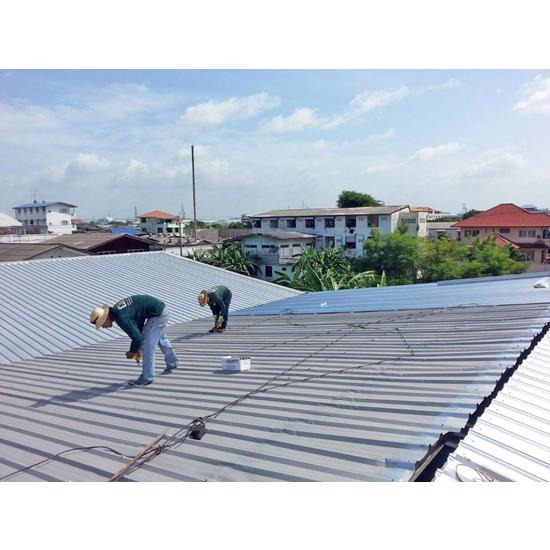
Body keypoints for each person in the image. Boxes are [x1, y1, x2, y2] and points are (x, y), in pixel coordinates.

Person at [89, 294, 177, 386]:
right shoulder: (119, 311)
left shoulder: (121, 317)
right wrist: (137, 348)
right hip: (160, 311)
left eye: (102, 324)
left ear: (105, 318)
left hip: (158, 315)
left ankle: (147, 378)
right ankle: (172, 362)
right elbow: (138, 324)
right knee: (160, 338)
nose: (103, 327)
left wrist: (132, 352)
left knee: (148, 346)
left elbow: (137, 337)